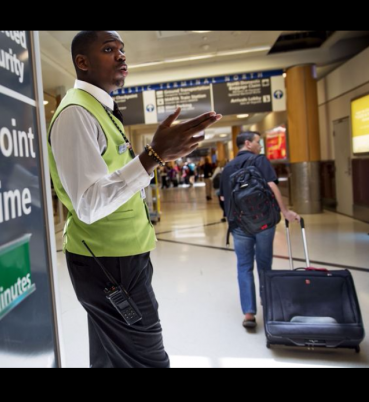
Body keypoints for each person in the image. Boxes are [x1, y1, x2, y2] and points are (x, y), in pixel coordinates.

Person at [48, 31, 222, 367]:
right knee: (147, 358)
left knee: (110, 356)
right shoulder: (75, 113)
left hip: (123, 254)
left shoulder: (102, 110)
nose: (121, 56)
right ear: (82, 62)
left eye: (122, 50)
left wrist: (157, 155)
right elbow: (88, 203)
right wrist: (153, 156)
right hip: (107, 261)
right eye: (109, 49)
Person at [220, 132, 299, 329]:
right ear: (247, 143)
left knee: (244, 267)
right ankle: (269, 305)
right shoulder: (259, 160)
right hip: (264, 223)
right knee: (265, 264)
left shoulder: (228, 167)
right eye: (257, 142)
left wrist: (232, 220)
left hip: (239, 226)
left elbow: (223, 199)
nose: (260, 146)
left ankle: (248, 313)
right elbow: (272, 186)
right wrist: (285, 212)